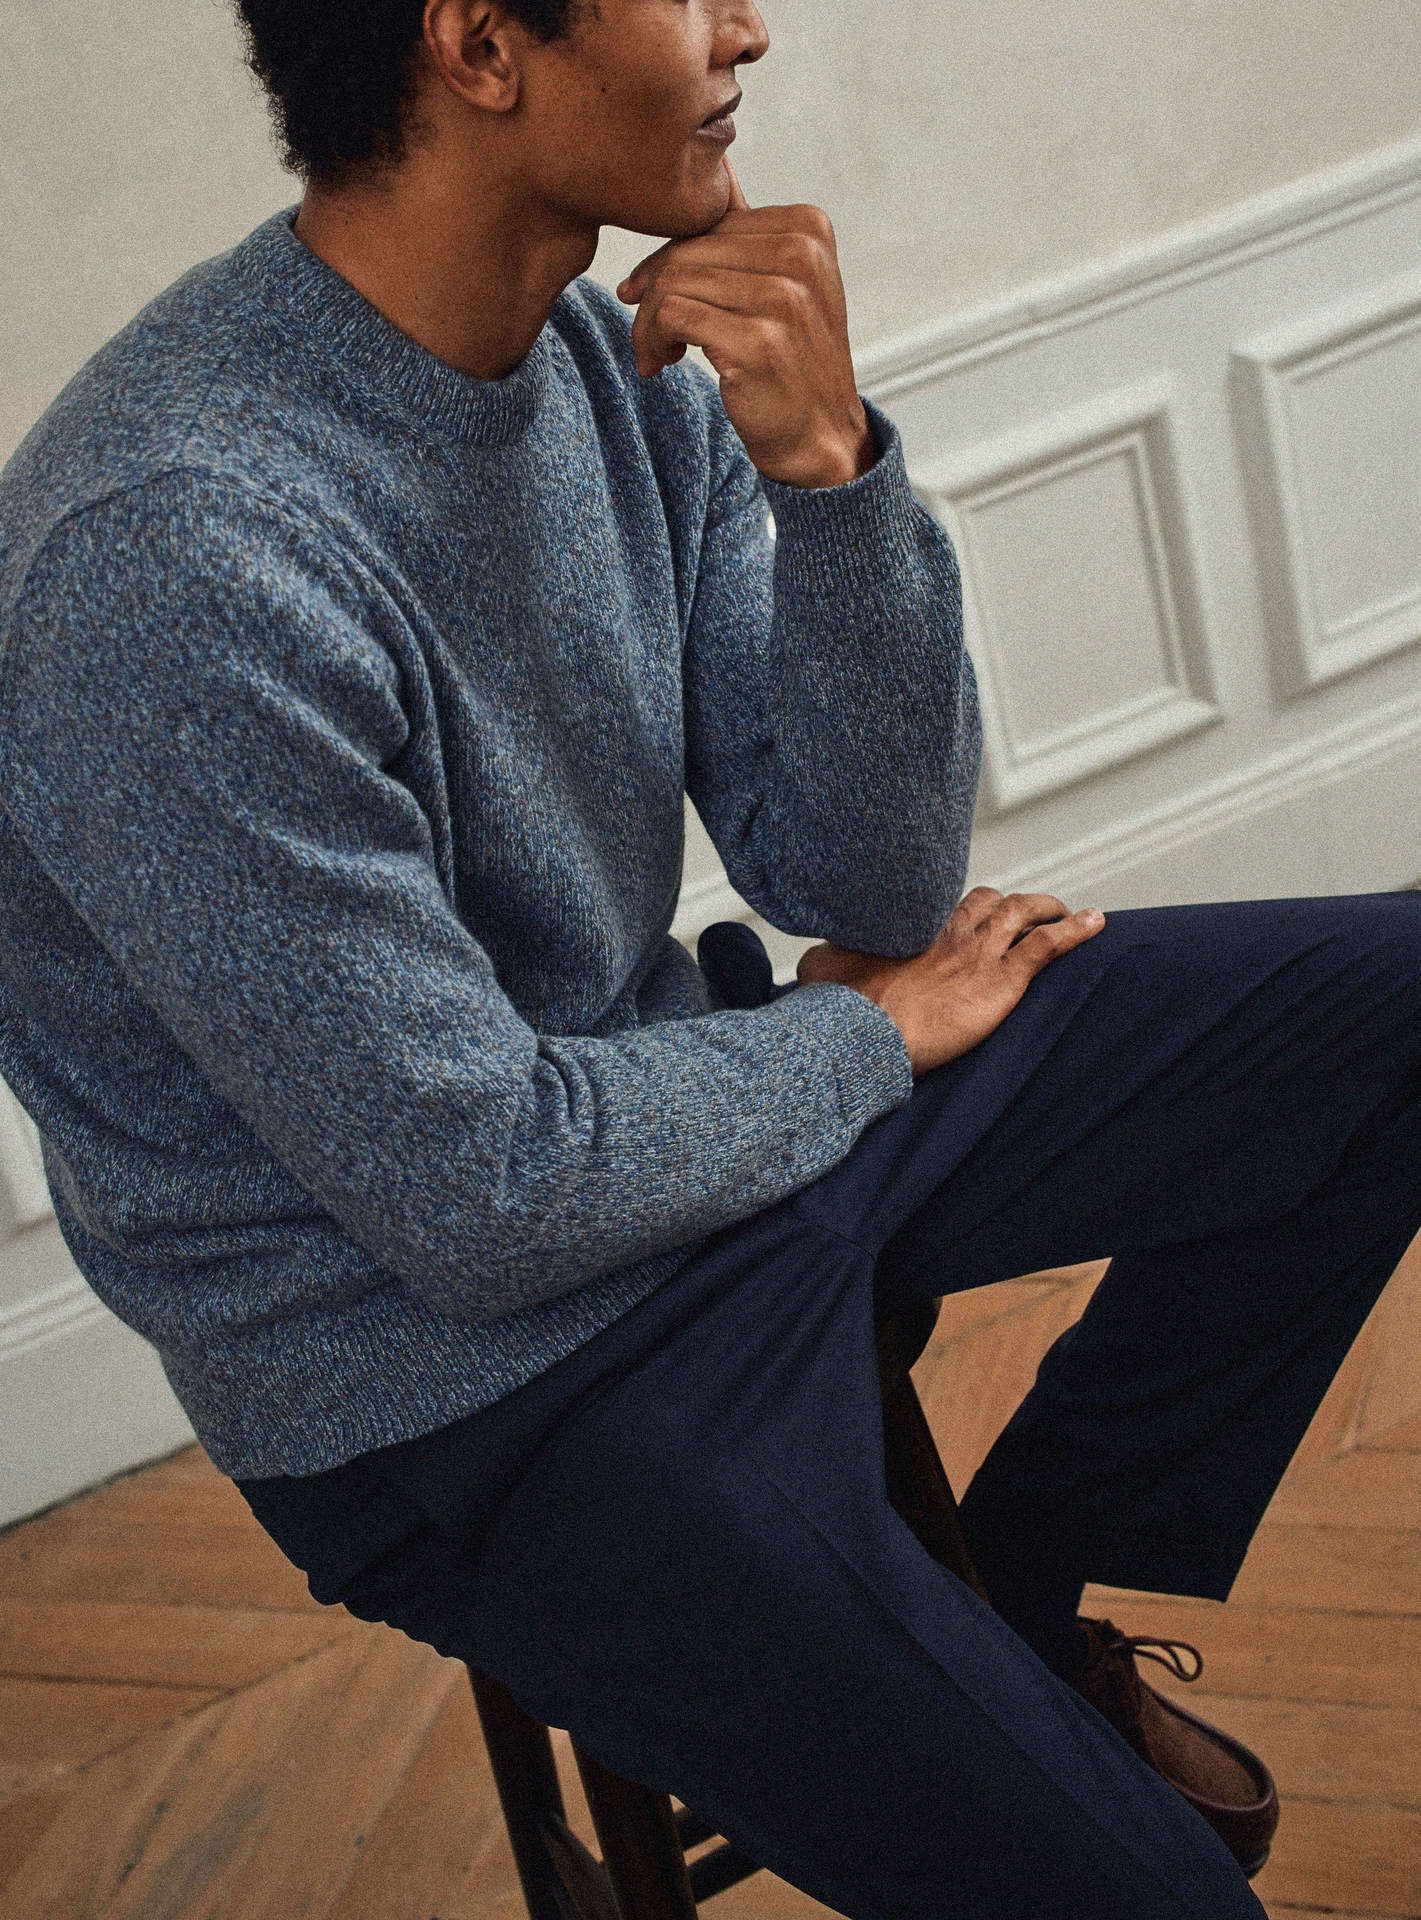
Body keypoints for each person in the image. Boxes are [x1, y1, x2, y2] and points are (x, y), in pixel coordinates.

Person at [0, 0, 1416, 1913]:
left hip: (680, 1118)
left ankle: (1016, 1602)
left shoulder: (614, 358)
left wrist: (830, 472)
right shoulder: (172, 555)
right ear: (479, 44)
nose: (747, 26)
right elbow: (477, 1196)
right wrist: (859, 1044)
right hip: (460, 1382)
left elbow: (866, 874)